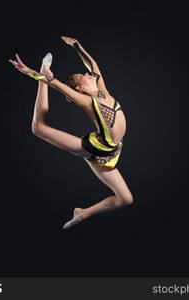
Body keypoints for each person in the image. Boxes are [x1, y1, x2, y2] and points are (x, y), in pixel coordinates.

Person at [9, 36, 133, 229]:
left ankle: (82, 213)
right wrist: (33, 73)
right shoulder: (88, 102)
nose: (88, 74)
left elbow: (92, 64)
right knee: (38, 128)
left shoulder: (103, 91)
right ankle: (41, 75)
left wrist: (76, 45)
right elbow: (55, 83)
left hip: (112, 153)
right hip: (96, 149)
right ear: (81, 88)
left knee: (126, 199)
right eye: (83, 75)